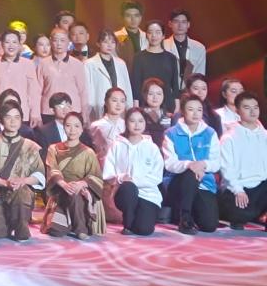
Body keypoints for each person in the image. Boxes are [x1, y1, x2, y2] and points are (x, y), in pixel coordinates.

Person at [0, 100, 45, 241]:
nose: (13, 121)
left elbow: (39, 174)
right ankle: (7, 221)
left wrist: (23, 180)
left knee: (22, 193)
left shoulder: (31, 146)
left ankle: (21, 228)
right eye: (8, 117)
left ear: (21, 120)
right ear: (1, 120)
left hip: (21, 191)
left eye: (17, 117)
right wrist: (4, 183)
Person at [163, 94, 221, 234]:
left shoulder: (210, 133)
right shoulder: (171, 133)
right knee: (190, 173)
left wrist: (202, 164)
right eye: (191, 109)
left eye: (199, 110)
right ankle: (185, 218)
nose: (195, 113)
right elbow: (169, 163)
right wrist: (189, 165)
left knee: (209, 226)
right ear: (183, 111)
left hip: (204, 183)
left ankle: (193, 212)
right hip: (178, 182)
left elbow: (217, 162)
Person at [42, 111, 105, 238]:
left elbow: (96, 177)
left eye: (76, 126)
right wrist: (63, 184)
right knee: (56, 231)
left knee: (75, 194)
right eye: (68, 126)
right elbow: (52, 169)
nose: (72, 130)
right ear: (63, 127)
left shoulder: (88, 152)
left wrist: (82, 184)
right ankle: (70, 223)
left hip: (81, 191)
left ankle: (81, 229)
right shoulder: (54, 149)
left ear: (82, 129)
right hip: (60, 190)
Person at [104, 107, 164, 236]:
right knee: (129, 188)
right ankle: (128, 220)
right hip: (125, 192)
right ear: (126, 123)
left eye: (140, 121)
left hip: (148, 194)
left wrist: (135, 180)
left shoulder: (152, 147)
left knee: (144, 230)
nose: (137, 125)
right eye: (132, 121)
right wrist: (121, 178)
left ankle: (136, 220)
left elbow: (157, 176)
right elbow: (108, 173)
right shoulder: (117, 145)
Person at [217, 91, 267, 228]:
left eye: (255, 107)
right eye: (247, 107)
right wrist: (238, 189)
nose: (253, 111)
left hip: (261, 186)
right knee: (239, 215)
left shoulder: (265, 135)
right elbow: (227, 169)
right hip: (238, 188)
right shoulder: (229, 137)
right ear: (237, 111)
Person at [0, 29, 39, 127]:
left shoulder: (28, 64)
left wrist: (35, 113)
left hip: (21, 114)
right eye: (7, 42)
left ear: (20, 45)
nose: (11, 45)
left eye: (14, 42)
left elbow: (33, 91)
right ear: (2, 44)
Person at [37, 28, 89, 119]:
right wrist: (36, 114)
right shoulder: (43, 64)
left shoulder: (77, 64)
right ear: (50, 41)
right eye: (55, 40)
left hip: (72, 111)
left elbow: (83, 91)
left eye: (62, 40)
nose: (59, 44)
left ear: (68, 42)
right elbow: (37, 91)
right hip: (49, 111)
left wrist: (85, 114)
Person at [130, 20, 181, 113]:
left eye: (157, 32)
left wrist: (177, 107)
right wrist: (136, 107)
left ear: (163, 36)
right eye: (150, 32)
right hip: (145, 106)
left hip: (167, 106)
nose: (154, 36)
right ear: (146, 35)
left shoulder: (171, 58)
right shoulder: (139, 57)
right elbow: (136, 84)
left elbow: (175, 85)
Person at [85, 30, 132, 121]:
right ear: (98, 44)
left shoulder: (121, 63)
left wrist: (129, 106)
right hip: (100, 105)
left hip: (119, 104)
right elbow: (88, 88)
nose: (109, 45)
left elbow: (127, 86)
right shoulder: (89, 64)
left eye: (113, 42)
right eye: (105, 42)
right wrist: (89, 107)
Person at [33, 92, 94, 160]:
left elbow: (90, 152)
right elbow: (43, 157)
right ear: (52, 110)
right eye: (60, 106)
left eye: (67, 106)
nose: (65, 109)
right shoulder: (43, 131)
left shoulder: (81, 129)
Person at [163, 8, 206, 80]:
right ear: (170, 24)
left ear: (188, 24)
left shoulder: (199, 47)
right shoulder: (162, 46)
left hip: (192, 86)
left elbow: (200, 75)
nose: (180, 25)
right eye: (176, 22)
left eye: (183, 22)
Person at [137, 78, 171, 146]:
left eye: (159, 94)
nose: (155, 97)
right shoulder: (139, 115)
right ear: (144, 95)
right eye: (151, 94)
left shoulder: (169, 116)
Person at [114, 1, 146, 67]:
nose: (133, 19)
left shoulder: (147, 36)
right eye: (128, 16)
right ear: (122, 17)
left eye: (136, 15)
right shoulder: (116, 36)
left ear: (141, 17)